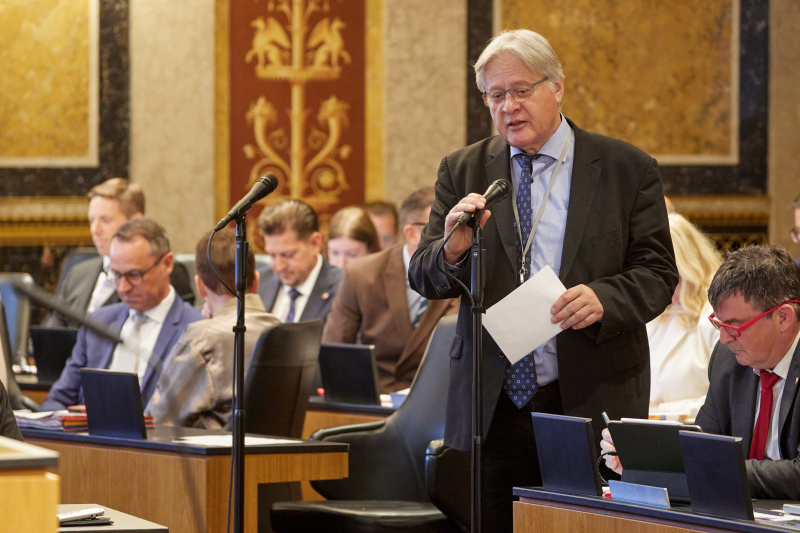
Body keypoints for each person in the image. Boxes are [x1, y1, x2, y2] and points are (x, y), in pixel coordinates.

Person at [407, 29, 678, 531]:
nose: (508, 106)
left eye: (521, 90)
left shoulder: (626, 169)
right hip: (493, 405)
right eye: (495, 95)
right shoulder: (464, 168)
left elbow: (659, 273)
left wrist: (605, 296)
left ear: (556, 86)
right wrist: (451, 249)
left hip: (588, 399)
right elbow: (424, 275)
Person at [603, 244, 800, 500]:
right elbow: (703, 448)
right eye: (718, 323)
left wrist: (711, 468)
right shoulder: (727, 359)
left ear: (783, 317)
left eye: (735, 326)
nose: (724, 338)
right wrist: (644, 461)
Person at [41, 218, 202, 411]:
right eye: (116, 275)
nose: (123, 288)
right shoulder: (97, 323)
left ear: (167, 264)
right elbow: (57, 400)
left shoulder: (196, 329)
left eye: (134, 275)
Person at [323, 187, 459, 392]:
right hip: (379, 399)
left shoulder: (468, 273)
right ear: (412, 233)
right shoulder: (362, 274)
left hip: (442, 401)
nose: (456, 235)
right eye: (445, 226)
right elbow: (335, 352)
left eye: (458, 225)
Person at [147, 228, 279, 429]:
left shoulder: (202, 338)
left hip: (217, 459)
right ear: (256, 282)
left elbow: (156, 419)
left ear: (199, 285)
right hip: (282, 457)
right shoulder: (282, 331)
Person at [45, 178, 194, 328]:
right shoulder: (77, 273)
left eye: (106, 220)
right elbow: (50, 334)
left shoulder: (163, 270)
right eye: (91, 220)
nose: (95, 230)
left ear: (136, 221)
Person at [647, 213, 721, 417]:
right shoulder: (654, 315)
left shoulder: (716, 318)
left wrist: (661, 412)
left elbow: (726, 399)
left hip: (696, 435)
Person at [256, 200, 342, 323]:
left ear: (315, 243)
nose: (280, 266)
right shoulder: (258, 284)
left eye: (288, 255)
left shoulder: (343, 290)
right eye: (272, 255)